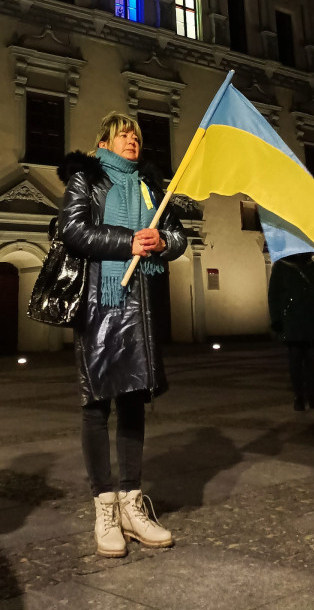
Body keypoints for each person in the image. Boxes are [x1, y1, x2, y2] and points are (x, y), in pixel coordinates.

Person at [57, 112, 186, 558]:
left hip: (140, 305)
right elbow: (72, 230)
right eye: (122, 134)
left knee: (133, 400)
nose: (131, 140)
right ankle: (105, 507)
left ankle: (133, 504)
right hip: (100, 301)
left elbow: (178, 234)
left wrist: (162, 243)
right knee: (96, 404)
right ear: (105, 141)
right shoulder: (87, 179)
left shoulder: (151, 186)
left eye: (136, 135)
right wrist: (128, 240)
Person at [268, 253, 314, 411]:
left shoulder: (312, 267)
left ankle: (313, 396)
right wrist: (277, 320)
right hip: (292, 321)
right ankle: (299, 396)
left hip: (311, 319)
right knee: (295, 360)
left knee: (312, 360)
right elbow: (273, 295)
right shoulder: (281, 267)